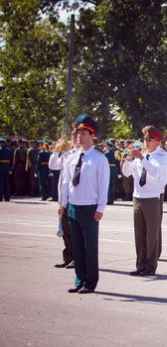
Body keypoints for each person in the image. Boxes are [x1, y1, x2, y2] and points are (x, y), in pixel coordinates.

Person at [59, 114, 110, 294]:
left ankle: (90, 282)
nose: (79, 136)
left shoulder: (98, 158)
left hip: (89, 207)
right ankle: (79, 280)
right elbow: (66, 182)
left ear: (92, 136)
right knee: (77, 248)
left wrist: (100, 208)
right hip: (73, 206)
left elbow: (103, 185)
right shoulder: (72, 157)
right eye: (77, 133)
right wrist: (63, 203)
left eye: (83, 133)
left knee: (89, 247)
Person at [121, 126, 167, 276]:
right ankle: (140, 265)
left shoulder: (162, 156)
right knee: (139, 234)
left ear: (157, 141)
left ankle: (150, 266)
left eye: (149, 139)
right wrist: (128, 158)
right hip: (138, 196)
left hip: (152, 197)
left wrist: (141, 158)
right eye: (145, 139)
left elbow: (154, 172)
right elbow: (126, 172)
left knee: (152, 235)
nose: (146, 141)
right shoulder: (140, 155)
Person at [49, 132, 79, 269]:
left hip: (74, 198)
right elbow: (53, 165)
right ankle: (68, 257)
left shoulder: (77, 155)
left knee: (74, 231)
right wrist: (56, 150)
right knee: (65, 230)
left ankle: (77, 258)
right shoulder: (66, 155)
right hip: (63, 197)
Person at [104, 139, 120, 205]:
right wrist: (118, 172)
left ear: (107, 146)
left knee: (108, 185)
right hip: (114, 169)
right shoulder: (115, 153)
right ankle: (111, 199)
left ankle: (109, 200)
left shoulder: (106, 153)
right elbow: (117, 163)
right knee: (112, 185)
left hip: (108, 169)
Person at [0, 137, 13, 201]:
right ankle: (7, 197)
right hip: (7, 168)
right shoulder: (9, 150)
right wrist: (10, 169)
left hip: (1, 168)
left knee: (1, 183)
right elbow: (11, 161)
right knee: (6, 183)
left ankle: (0, 197)